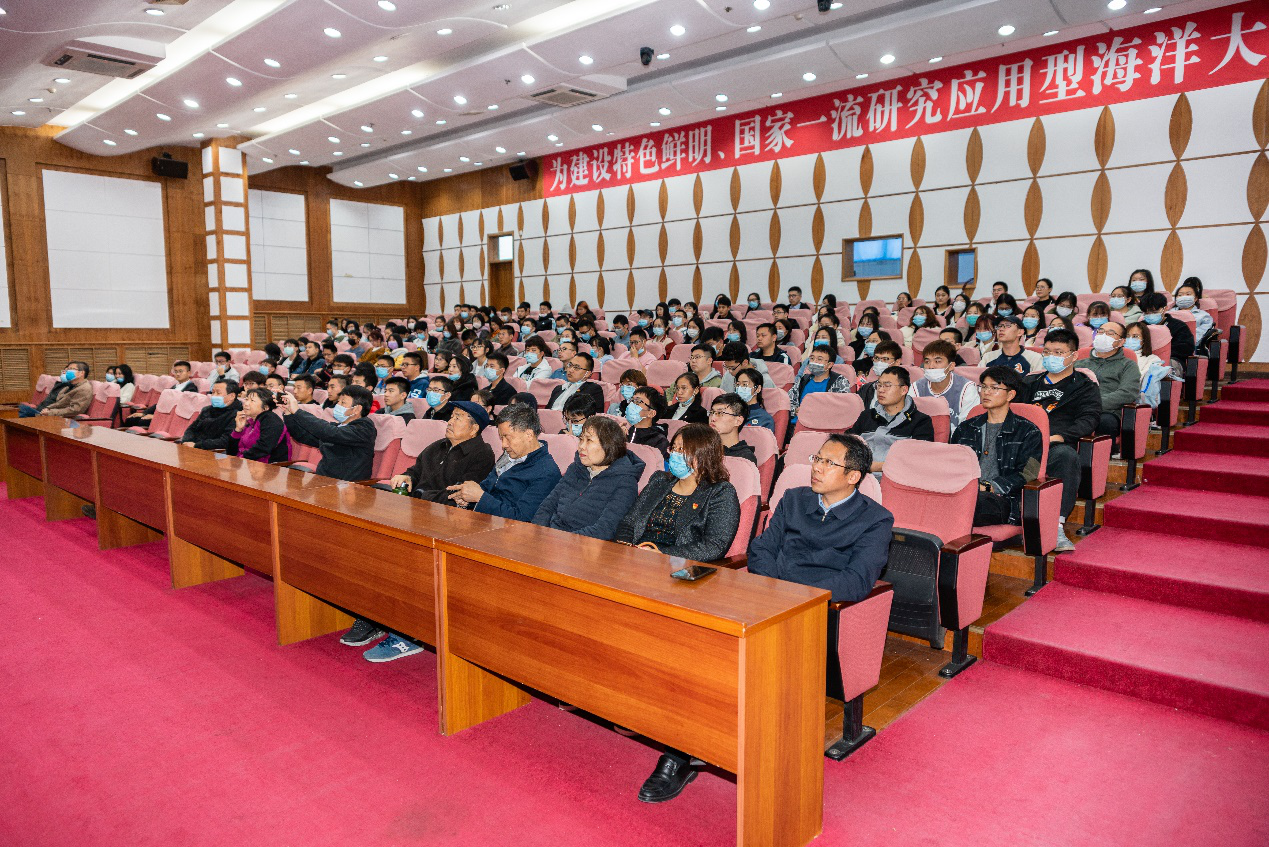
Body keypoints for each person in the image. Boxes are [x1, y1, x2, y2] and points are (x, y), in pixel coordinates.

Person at [621, 423, 742, 804]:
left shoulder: (720, 493)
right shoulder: (659, 481)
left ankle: (677, 755)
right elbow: (629, 522)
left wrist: (661, 555)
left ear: (703, 456)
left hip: (684, 581)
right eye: (672, 447)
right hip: (637, 571)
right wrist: (625, 550)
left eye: (681, 449)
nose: (672, 454)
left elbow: (715, 546)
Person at [749, 432, 893, 599]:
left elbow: (856, 579)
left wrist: (800, 596)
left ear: (853, 476)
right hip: (772, 592)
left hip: (817, 603)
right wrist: (770, 586)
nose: (816, 467)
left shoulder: (875, 520)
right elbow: (763, 547)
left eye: (829, 463)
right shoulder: (793, 499)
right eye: (817, 459)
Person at [1023, 328, 1101, 551]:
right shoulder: (1029, 383)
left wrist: (1061, 436)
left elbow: (1089, 419)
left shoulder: (1084, 386)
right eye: (1047, 352)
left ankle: (1055, 526)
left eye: (1058, 352)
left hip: (1055, 445)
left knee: (1066, 456)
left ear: (1074, 355)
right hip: (1022, 442)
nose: (1051, 357)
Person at [952, 367, 1043, 527]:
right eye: (983, 387)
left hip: (1002, 500)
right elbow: (951, 464)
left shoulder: (1029, 431)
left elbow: (1029, 473)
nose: (986, 392)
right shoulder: (965, 428)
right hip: (964, 492)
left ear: (1010, 395)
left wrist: (989, 487)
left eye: (994, 388)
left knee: (968, 503)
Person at [532, 415, 645, 539]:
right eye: (581, 439)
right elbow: (547, 507)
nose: (581, 446)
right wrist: (538, 533)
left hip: (584, 545)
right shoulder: (575, 469)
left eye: (589, 440)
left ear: (609, 446)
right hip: (551, 538)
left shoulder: (625, 482)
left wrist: (560, 541)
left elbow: (604, 530)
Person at [447, 403, 562, 519]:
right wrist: (468, 499)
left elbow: (522, 518)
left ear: (529, 435)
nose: (503, 445)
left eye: (508, 437)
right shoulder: (509, 455)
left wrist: (480, 498)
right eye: (502, 438)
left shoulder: (547, 472)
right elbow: (487, 488)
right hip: (484, 520)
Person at [388, 400, 496, 504]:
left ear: (474, 429)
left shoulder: (482, 455)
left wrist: (422, 496)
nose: (450, 422)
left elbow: (459, 494)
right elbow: (416, 471)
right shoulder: (438, 445)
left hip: (444, 511)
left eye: (457, 418)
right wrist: (407, 477)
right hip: (416, 503)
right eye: (451, 417)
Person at [281, 385, 377, 481]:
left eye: (343, 402)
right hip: (323, 481)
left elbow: (330, 432)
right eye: (338, 401)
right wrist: (288, 413)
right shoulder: (339, 427)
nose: (337, 405)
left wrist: (297, 411)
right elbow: (303, 436)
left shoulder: (365, 429)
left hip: (347, 486)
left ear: (357, 409)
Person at [849, 367, 934, 474]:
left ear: (904, 390)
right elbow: (847, 443)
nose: (881, 390)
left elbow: (918, 460)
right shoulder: (867, 415)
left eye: (887, 385)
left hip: (895, 477)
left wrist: (877, 467)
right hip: (858, 474)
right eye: (879, 385)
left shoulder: (921, 422)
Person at [1082, 321, 1141, 441]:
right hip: (1077, 408)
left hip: (1107, 411)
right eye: (1101, 332)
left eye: (1110, 333)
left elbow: (1127, 393)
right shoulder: (1079, 363)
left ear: (1121, 342)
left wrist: (1094, 403)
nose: (1103, 336)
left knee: (1105, 422)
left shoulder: (1128, 365)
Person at [909, 340, 979, 433]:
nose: (931, 366)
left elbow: (967, 426)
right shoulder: (916, 387)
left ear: (951, 366)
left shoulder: (966, 388)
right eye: (927, 361)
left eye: (937, 361)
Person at [224, 388, 291, 463]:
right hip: (246, 463)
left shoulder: (271, 420)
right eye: (246, 399)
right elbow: (231, 452)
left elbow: (263, 449)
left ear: (265, 407)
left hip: (268, 466)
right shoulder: (250, 422)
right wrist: (238, 430)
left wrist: (240, 458)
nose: (246, 403)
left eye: (252, 401)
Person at [176, 380, 242, 451]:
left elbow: (225, 441)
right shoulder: (207, 410)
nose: (214, 396)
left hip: (212, 452)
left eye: (218, 393)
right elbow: (192, 428)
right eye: (213, 392)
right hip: (192, 447)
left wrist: (196, 445)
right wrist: (187, 441)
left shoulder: (237, 415)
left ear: (232, 396)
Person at [789, 345, 850, 418]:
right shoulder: (803, 379)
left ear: (829, 365)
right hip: (798, 421)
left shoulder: (839, 382)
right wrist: (795, 410)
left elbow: (842, 408)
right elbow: (789, 401)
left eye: (819, 359)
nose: (814, 362)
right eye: (812, 358)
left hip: (824, 422)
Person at [21, 361, 93, 418]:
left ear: (81, 373)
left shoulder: (84, 388)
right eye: (68, 369)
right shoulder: (69, 386)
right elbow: (58, 403)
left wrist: (50, 412)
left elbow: (75, 410)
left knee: (21, 411)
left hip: (58, 418)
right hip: (47, 413)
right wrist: (47, 409)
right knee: (20, 409)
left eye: (71, 369)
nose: (67, 371)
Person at [1140, 291, 1195, 365]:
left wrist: (1161, 352)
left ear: (1165, 308)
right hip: (1144, 359)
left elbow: (1186, 348)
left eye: (1154, 312)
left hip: (1171, 359)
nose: (1150, 315)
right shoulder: (1140, 326)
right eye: (1146, 313)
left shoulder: (1179, 326)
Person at [622, 386, 671, 458]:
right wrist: (617, 437)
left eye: (638, 401)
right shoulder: (625, 432)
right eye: (631, 400)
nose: (631, 405)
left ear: (651, 413)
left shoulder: (659, 441)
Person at [707, 393, 757, 463]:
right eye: (711, 412)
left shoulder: (744, 458)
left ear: (738, 421)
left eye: (720, 413)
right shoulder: (704, 449)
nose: (713, 418)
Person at [1174, 278, 1215, 355]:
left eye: (1188, 294)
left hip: (1189, 351)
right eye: (1180, 295)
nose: (1184, 297)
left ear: (1195, 298)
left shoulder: (1204, 317)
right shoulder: (1168, 314)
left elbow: (1197, 337)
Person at [733, 367, 775, 433]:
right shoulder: (730, 412)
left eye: (745, 384)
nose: (740, 388)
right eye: (738, 385)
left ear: (758, 389)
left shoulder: (765, 419)